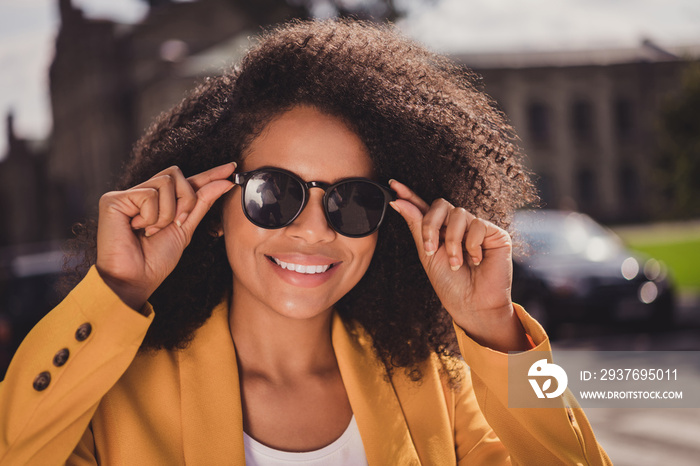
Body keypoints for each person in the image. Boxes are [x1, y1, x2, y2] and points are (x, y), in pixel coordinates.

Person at [0, 19, 611, 465]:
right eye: (274, 193)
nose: (315, 229)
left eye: (353, 201)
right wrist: (119, 289)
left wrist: (498, 331)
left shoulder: (438, 387)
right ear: (215, 208)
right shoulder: (110, 398)